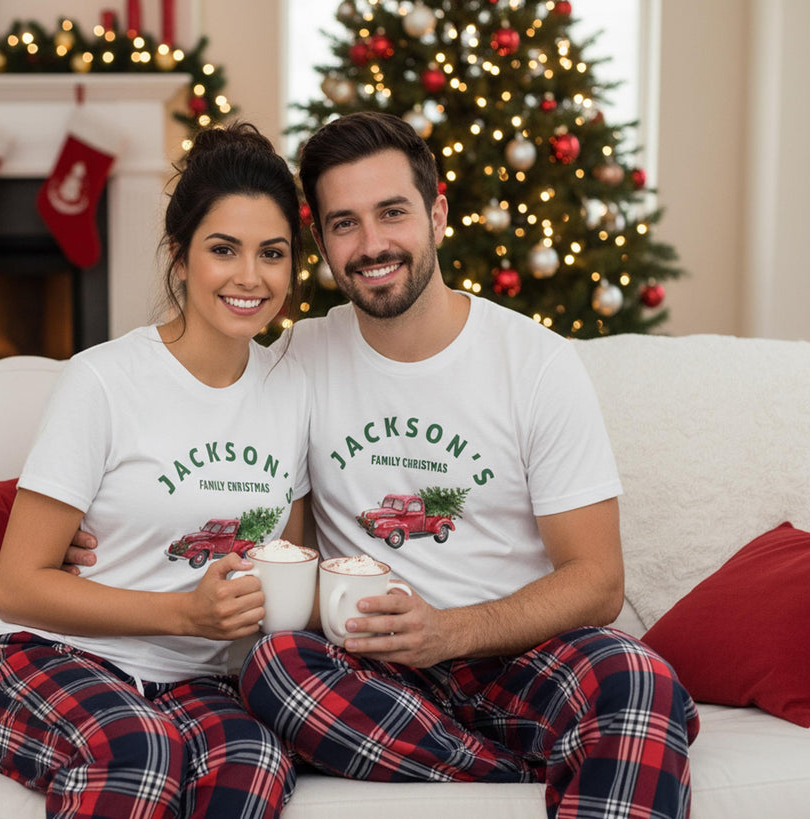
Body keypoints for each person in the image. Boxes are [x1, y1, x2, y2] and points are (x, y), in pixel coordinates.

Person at [233, 112, 701, 818]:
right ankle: (526, 769)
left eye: (392, 213)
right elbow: (212, 460)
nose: (372, 244)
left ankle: (563, 743)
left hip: (519, 656)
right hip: (371, 672)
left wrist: (448, 632)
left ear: (438, 213)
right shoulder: (301, 356)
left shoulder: (535, 362)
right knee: (273, 669)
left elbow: (599, 581)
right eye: (344, 223)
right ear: (322, 241)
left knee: (637, 676)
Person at [0, 121, 310, 819]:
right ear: (180, 259)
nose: (250, 276)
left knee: (257, 764)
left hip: (194, 683)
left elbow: (285, 564)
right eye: (223, 250)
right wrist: (181, 610)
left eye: (273, 253)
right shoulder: (105, 381)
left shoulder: (295, 389)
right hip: (42, 654)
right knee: (141, 752)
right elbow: (19, 584)